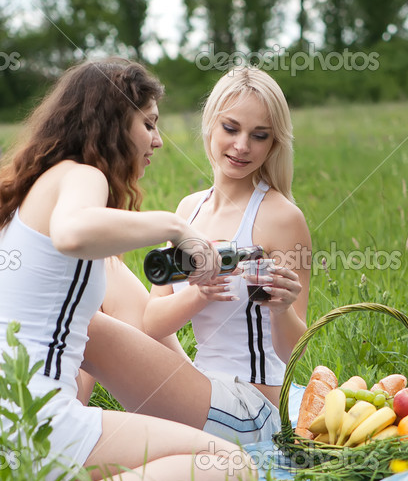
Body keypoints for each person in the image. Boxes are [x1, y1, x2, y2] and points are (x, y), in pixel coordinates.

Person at [0, 57, 257, 481]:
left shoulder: (30, 193)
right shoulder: (82, 175)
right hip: (31, 421)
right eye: (148, 124)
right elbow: (72, 233)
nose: (158, 139)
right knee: (233, 465)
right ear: (114, 120)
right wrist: (176, 227)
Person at [85, 67, 310, 446]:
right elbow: (153, 323)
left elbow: (295, 353)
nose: (242, 146)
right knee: (101, 269)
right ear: (210, 126)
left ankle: (51, 431)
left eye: (259, 136)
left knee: (88, 328)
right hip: (203, 384)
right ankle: (61, 417)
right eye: (231, 128)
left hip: (251, 408)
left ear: (274, 143)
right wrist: (200, 293)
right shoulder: (189, 211)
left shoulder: (281, 217)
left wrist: (281, 308)